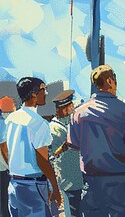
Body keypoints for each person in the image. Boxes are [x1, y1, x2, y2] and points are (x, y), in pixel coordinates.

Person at [68, 65, 125, 217]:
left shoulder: (78, 113)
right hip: (121, 182)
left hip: (92, 183)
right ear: (110, 81)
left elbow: (76, 145)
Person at [5, 77, 62, 217]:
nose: (46, 93)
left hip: (14, 185)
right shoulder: (39, 123)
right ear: (34, 94)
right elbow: (42, 160)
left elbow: (6, 150)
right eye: (43, 89)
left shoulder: (10, 119)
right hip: (32, 186)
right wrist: (54, 187)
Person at [49, 90, 83, 217]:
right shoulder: (55, 128)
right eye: (70, 107)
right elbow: (56, 154)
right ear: (63, 109)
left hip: (74, 178)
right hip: (68, 179)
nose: (73, 109)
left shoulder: (66, 124)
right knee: (72, 212)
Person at [0, 103, 9, 217]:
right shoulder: (1, 123)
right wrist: (10, 166)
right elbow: (3, 146)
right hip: (2, 169)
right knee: (3, 200)